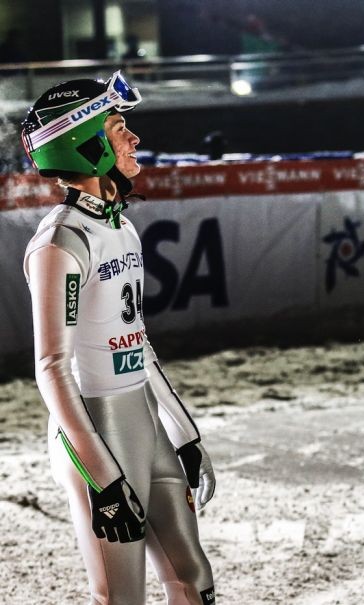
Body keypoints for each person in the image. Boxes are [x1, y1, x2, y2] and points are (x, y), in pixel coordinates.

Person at [21, 71, 216, 605]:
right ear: (86, 146)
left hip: (143, 421)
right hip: (95, 431)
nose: (134, 138)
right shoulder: (60, 241)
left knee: (194, 578)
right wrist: (103, 478)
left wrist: (185, 434)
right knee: (121, 596)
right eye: (118, 128)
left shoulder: (121, 227)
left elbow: (136, 339)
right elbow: (51, 367)